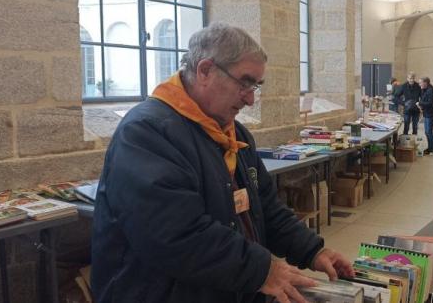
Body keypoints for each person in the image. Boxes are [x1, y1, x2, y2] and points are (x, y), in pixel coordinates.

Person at [91, 23, 353, 303]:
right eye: (245, 82)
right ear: (204, 70)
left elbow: (265, 207)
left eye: (256, 86)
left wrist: (312, 251)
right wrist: (262, 270)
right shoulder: (146, 132)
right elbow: (175, 235)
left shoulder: (234, 134)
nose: (251, 99)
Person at [417, 77, 433, 155]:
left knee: (429, 132)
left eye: (420, 83)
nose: (419, 84)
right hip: (426, 113)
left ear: (425, 83)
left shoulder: (431, 91)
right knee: (427, 132)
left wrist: (420, 103)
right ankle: (429, 148)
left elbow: (431, 103)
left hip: (430, 114)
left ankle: (432, 150)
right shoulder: (425, 90)